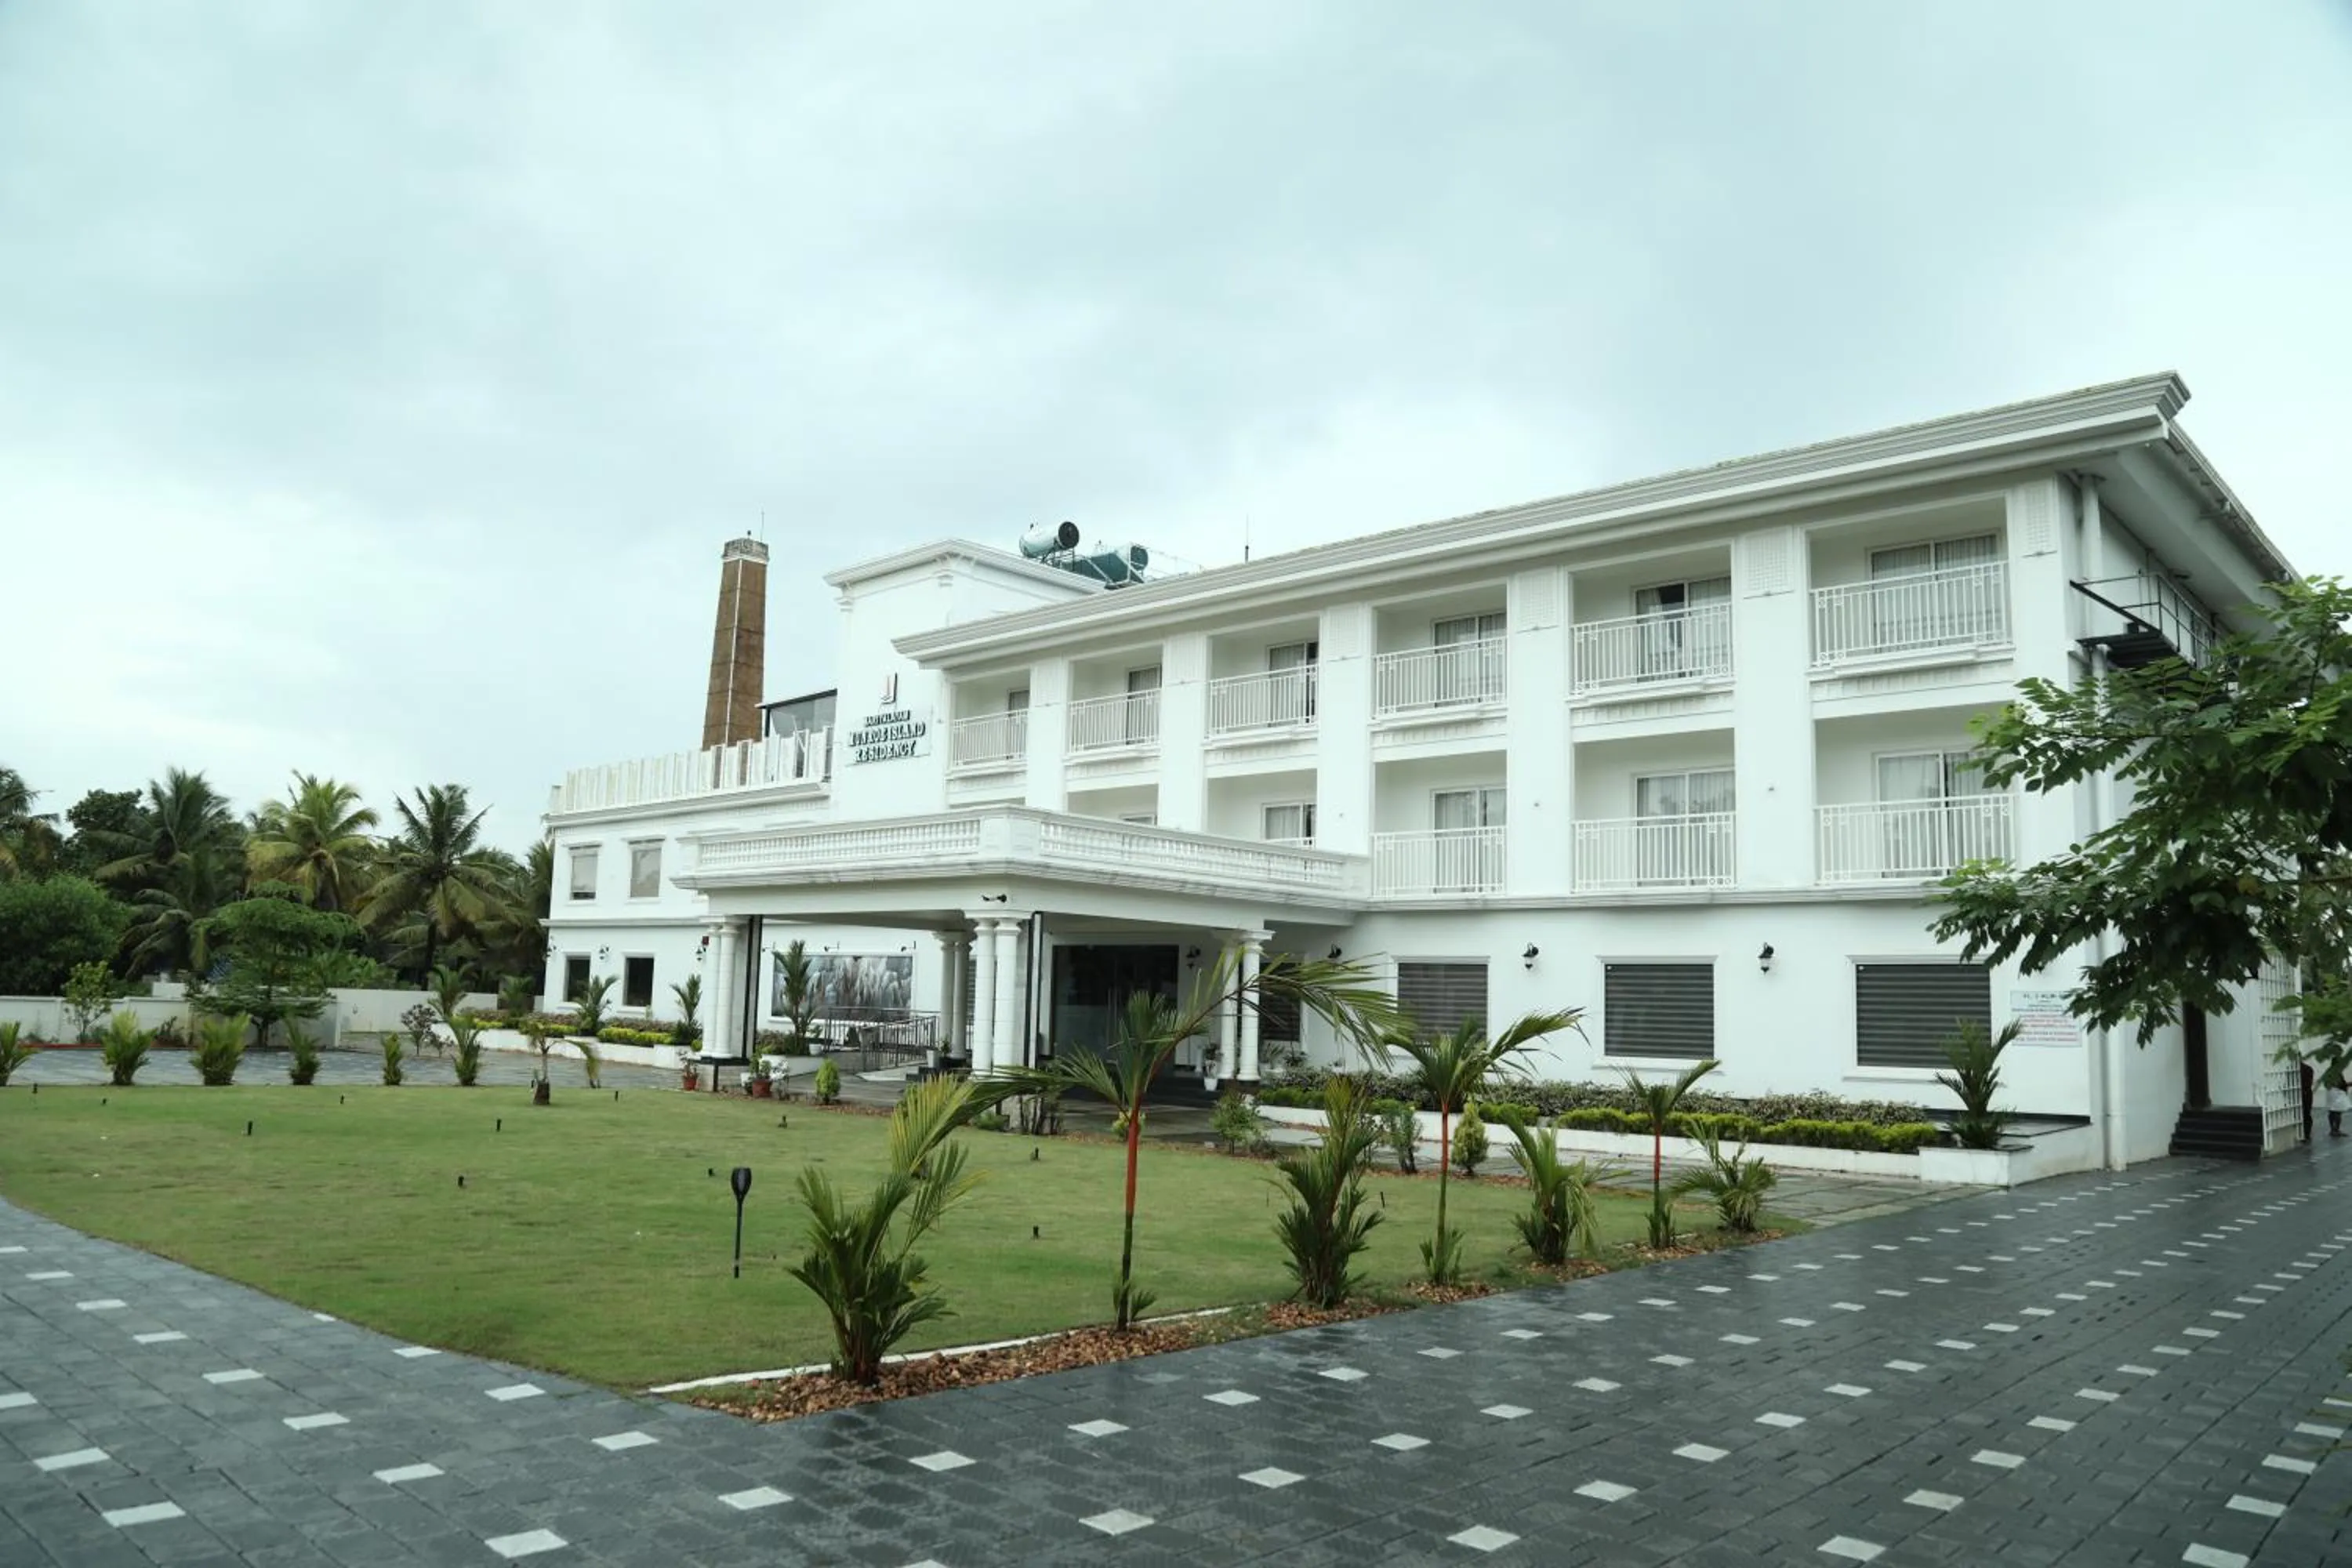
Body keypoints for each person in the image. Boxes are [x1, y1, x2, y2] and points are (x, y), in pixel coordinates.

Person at [2325, 1068, 2350, 1139]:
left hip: (2331, 1093)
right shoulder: (2337, 1072)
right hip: (2337, 1094)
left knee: (2332, 1112)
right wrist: (2347, 1085)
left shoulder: (2329, 1072)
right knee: (2338, 1112)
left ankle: (2333, 1129)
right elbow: (2340, 1084)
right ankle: (2336, 1130)